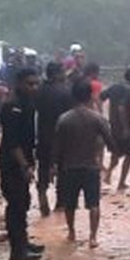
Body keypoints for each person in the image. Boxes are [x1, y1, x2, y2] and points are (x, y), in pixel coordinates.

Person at [53, 79, 114, 247]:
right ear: (90, 96)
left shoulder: (64, 119)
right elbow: (111, 143)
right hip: (90, 166)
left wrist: (54, 167)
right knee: (93, 204)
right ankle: (92, 237)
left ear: (73, 96)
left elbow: (57, 147)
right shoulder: (97, 119)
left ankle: (72, 233)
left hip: (69, 167)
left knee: (70, 204)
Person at [0, 67, 43, 260]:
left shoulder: (28, 103)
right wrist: (24, 165)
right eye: (30, 84)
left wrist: (30, 163)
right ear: (19, 84)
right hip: (12, 162)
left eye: (36, 84)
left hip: (24, 158)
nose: (34, 87)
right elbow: (12, 142)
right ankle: (17, 250)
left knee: (23, 202)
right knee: (16, 204)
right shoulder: (12, 106)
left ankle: (23, 242)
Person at [35, 61, 76, 217]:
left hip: (44, 136)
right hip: (62, 138)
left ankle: (42, 196)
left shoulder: (38, 91)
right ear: (59, 73)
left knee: (43, 168)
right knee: (63, 171)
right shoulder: (66, 92)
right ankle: (60, 204)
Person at [101, 65, 130, 191]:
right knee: (129, 154)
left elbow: (100, 97)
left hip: (113, 125)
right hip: (123, 126)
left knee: (116, 152)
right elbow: (122, 108)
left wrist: (101, 114)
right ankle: (121, 182)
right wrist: (126, 128)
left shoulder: (115, 86)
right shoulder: (129, 89)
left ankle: (108, 174)